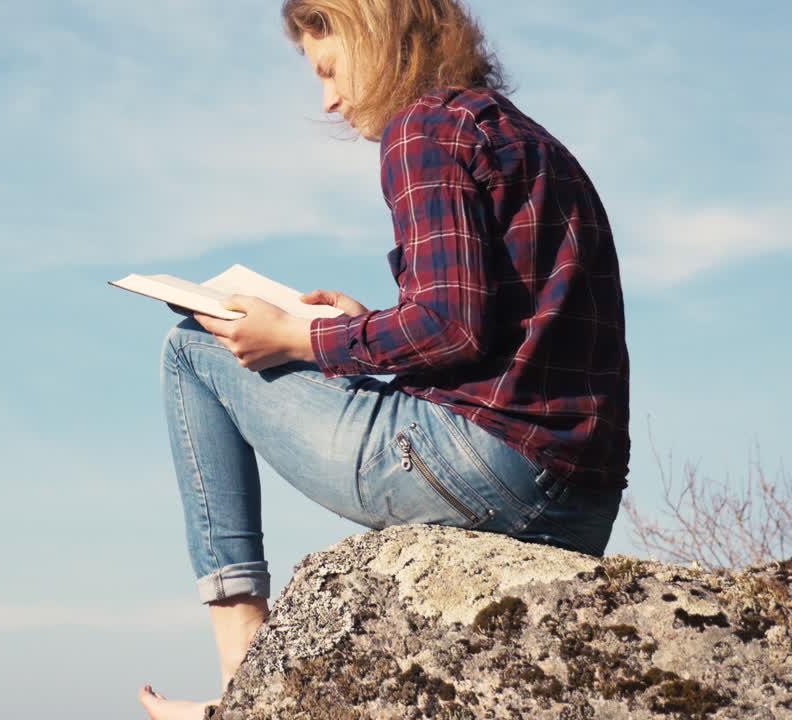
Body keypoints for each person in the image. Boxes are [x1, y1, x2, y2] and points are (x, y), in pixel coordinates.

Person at [138, 0, 630, 718]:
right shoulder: (531, 140)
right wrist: (366, 326)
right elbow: (490, 328)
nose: (329, 100)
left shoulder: (423, 128)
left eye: (330, 71)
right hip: (580, 502)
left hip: (491, 471)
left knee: (191, 346)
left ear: (374, 38)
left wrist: (297, 338)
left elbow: (450, 328)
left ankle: (241, 663)